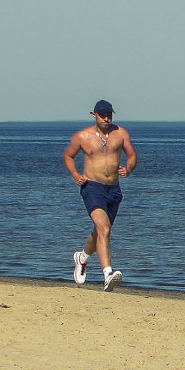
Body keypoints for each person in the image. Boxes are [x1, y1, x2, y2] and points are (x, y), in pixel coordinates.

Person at [63, 100, 138, 292]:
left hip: (113, 189)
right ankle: (108, 274)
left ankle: (82, 257)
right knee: (104, 228)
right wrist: (75, 175)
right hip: (92, 187)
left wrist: (128, 169)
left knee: (100, 232)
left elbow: (132, 156)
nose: (107, 118)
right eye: (103, 115)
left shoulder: (120, 133)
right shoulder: (82, 136)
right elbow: (68, 156)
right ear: (94, 115)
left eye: (109, 115)